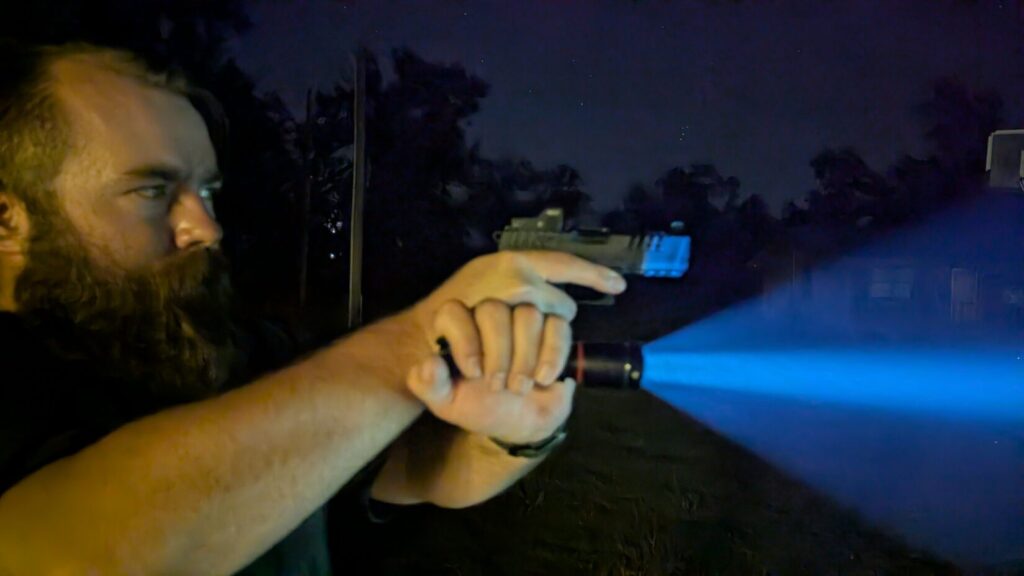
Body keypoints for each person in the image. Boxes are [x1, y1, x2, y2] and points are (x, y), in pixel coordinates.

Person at [0, 42, 627, 575]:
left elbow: (411, 470)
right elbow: (76, 552)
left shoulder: (223, 346)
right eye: (151, 190)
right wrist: (405, 347)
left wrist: (508, 434)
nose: (205, 227)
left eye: (207, 191)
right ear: (7, 218)